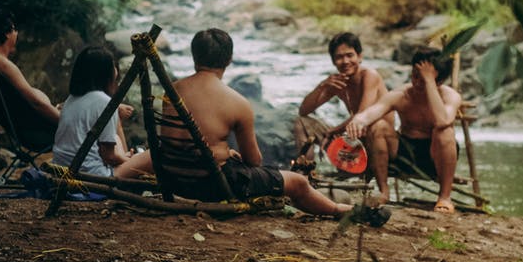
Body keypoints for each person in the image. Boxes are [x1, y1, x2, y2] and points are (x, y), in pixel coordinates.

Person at [117, 29, 354, 218]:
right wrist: (228, 154)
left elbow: (185, 140)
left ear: (194, 57)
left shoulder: (173, 89)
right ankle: (338, 210)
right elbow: (254, 161)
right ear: (229, 59)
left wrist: (221, 150)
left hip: (172, 176)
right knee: (298, 181)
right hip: (210, 184)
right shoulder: (237, 102)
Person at [344, 47, 462, 213]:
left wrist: (429, 81)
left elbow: (442, 120)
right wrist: (358, 120)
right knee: (378, 126)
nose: (417, 82)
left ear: (440, 82)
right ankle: (384, 191)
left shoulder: (450, 96)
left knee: (445, 131)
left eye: (424, 79)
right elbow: (373, 111)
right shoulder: (401, 94)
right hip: (404, 152)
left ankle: (444, 197)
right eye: (415, 75)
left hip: (435, 155)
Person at [293, 32, 393, 180]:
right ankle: (307, 174)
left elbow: (362, 115)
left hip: (379, 142)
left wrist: (332, 131)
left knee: (372, 125)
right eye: (339, 57)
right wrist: (322, 86)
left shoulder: (369, 75)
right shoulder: (338, 82)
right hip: (353, 140)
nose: (345, 61)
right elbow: (304, 111)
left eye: (350, 55)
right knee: (301, 122)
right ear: (333, 61)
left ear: (360, 56)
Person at [0, 9, 58, 146]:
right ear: (6, 33)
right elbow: (36, 103)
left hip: (25, 131)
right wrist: (64, 120)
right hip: (40, 134)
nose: (16, 33)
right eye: (14, 29)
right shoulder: (1, 64)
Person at [52, 45, 135, 176]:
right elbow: (109, 157)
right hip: (91, 175)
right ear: (105, 73)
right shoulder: (105, 102)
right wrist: (128, 160)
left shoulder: (71, 99)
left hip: (61, 170)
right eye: (111, 65)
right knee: (151, 157)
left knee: (115, 138)